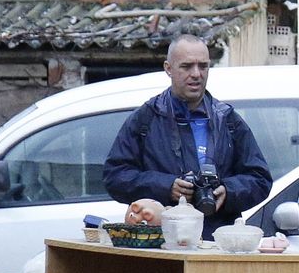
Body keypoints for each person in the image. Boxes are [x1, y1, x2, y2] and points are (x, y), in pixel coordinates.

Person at [104, 33, 271, 237]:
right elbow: (115, 177)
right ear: (168, 68)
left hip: (216, 242)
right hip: (161, 244)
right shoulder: (146, 118)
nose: (196, 74)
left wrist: (228, 191)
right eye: (186, 66)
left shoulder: (227, 119)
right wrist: (166, 187)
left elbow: (260, 179)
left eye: (203, 66)